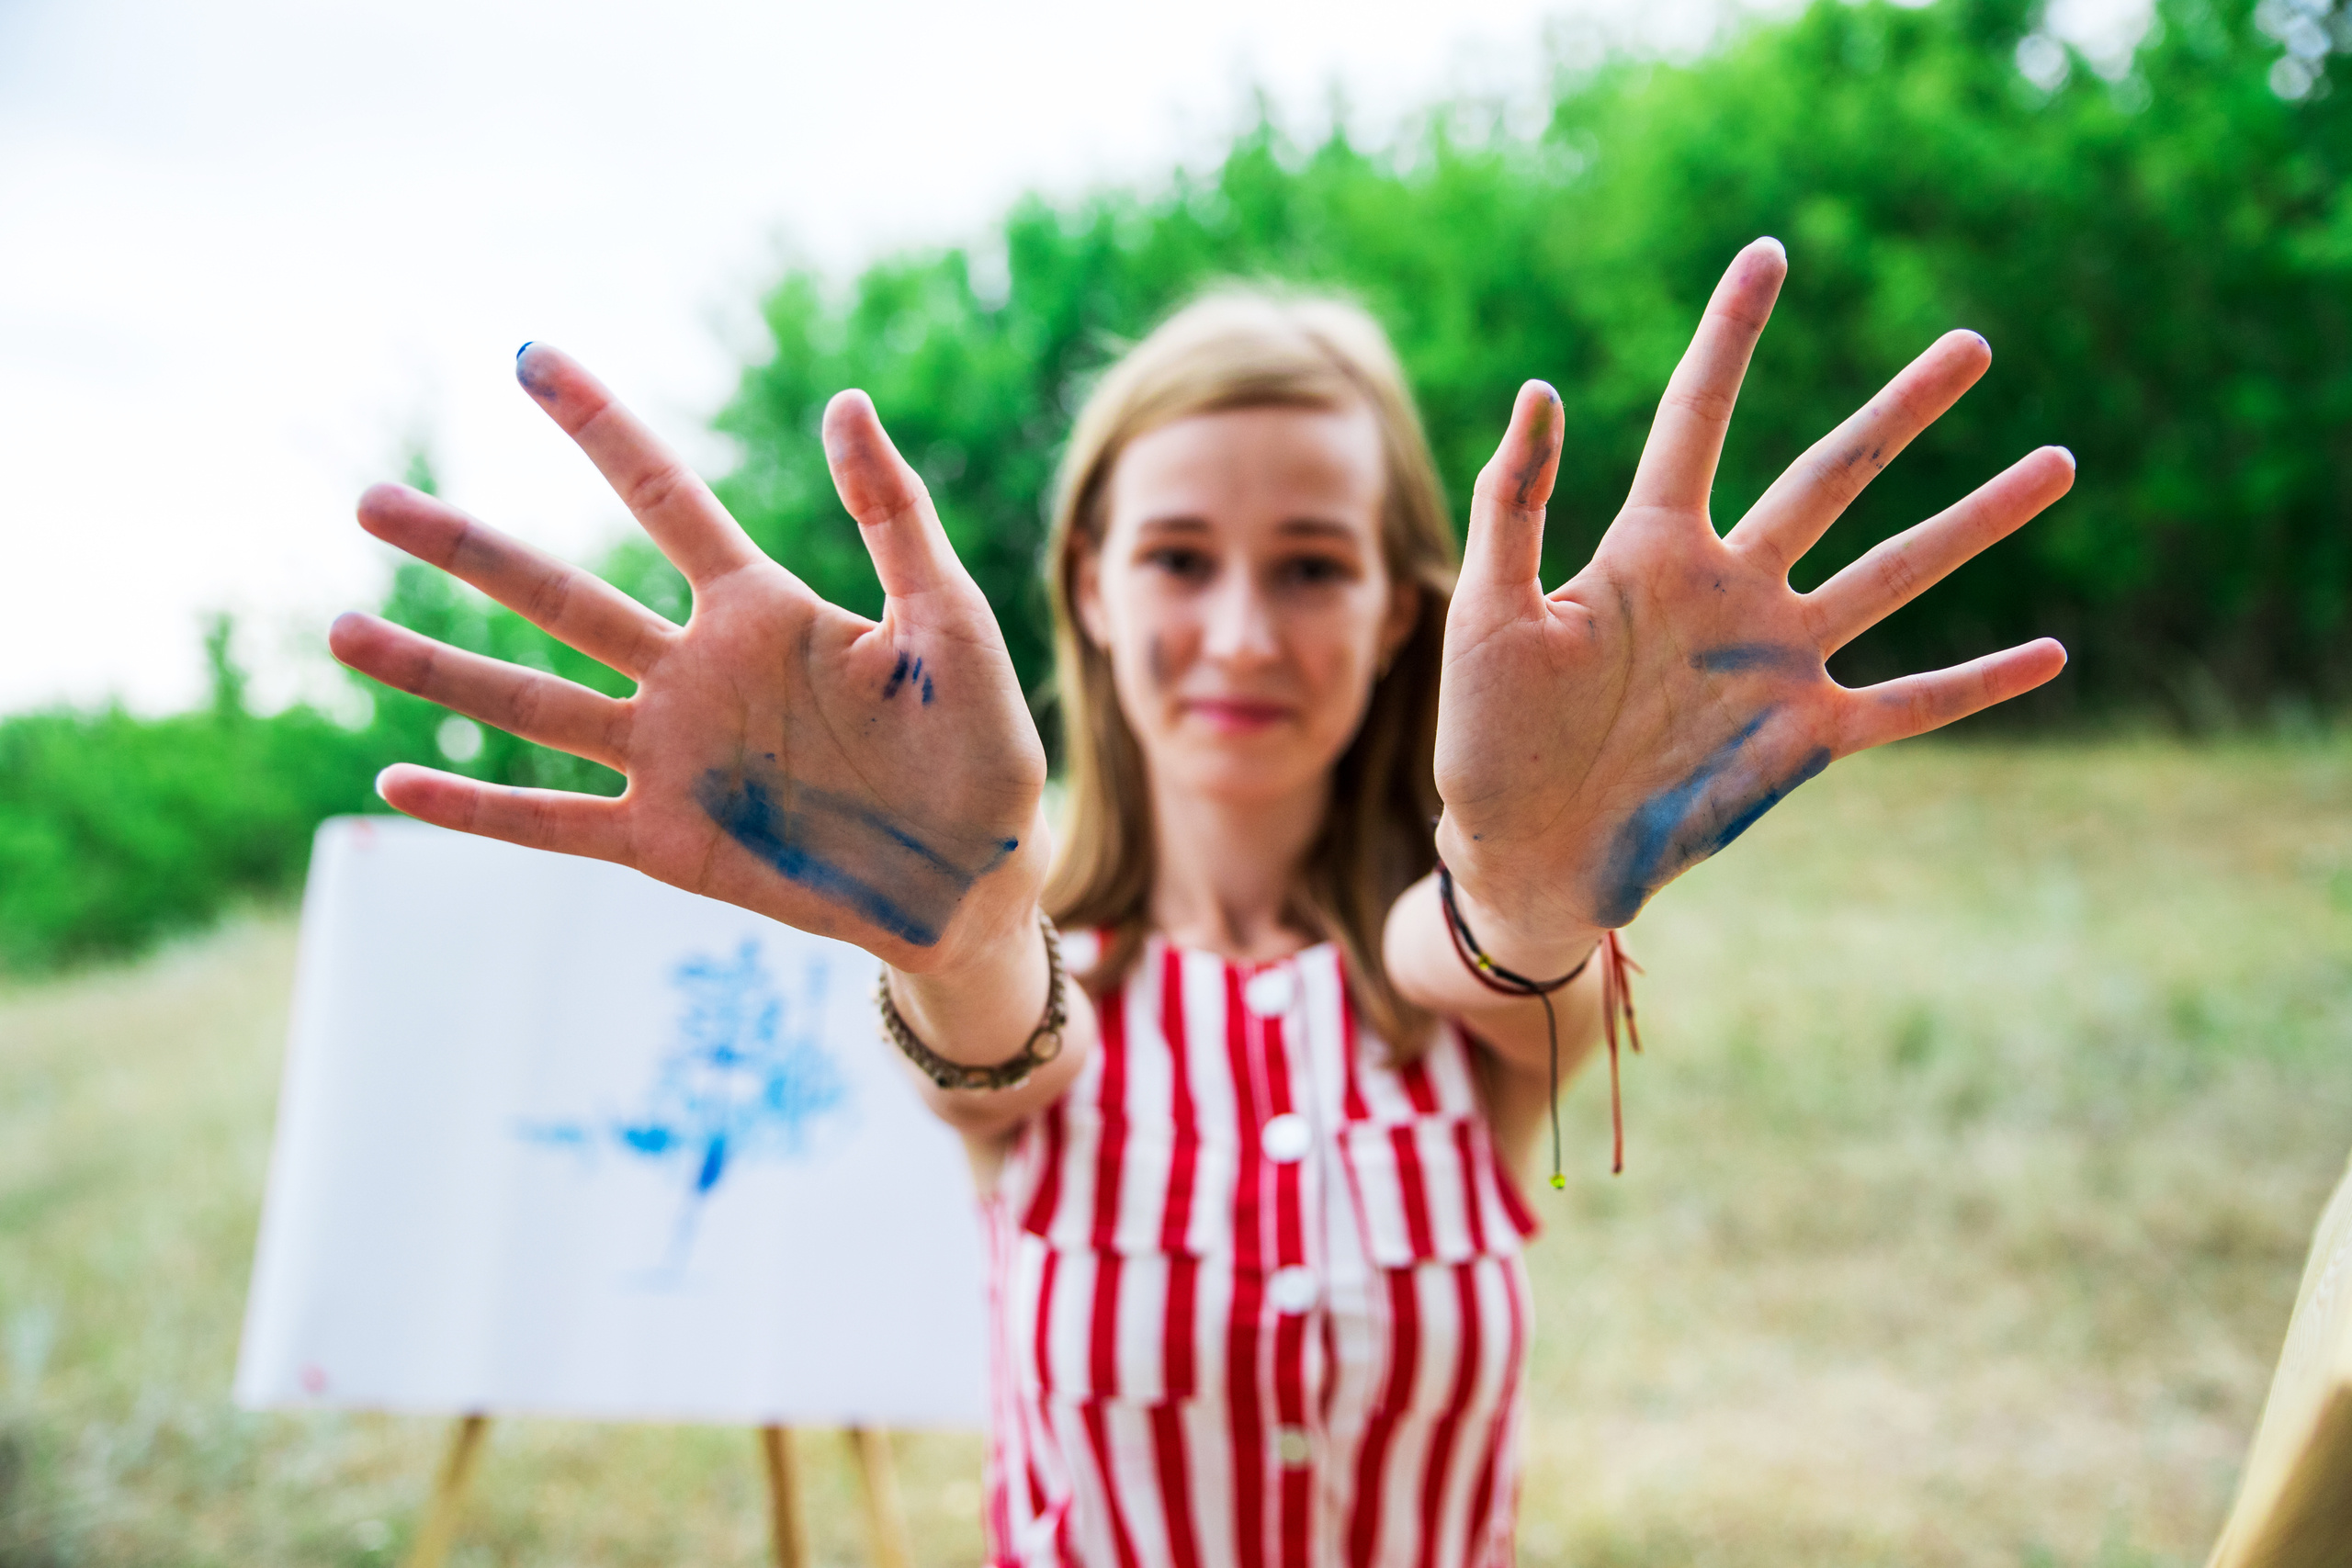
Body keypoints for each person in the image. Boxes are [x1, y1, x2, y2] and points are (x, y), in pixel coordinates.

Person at [329, 238, 2075, 1566]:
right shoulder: (1022, 972)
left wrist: (1524, 885)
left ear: (1399, 613)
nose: (1241, 634)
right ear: (1088, 584)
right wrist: (963, 926)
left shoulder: (1473, 966)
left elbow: (1466, 958)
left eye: (1311, 566)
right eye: (1179, 558)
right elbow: (1011, 1035)